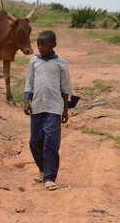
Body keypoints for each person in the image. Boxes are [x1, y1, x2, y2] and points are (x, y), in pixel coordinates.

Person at [23, 30, 73, 191]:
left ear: (53, 45)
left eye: (44, 45)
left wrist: (65, 109)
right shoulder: (34, 62)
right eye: (38, 44)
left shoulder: (60, 63)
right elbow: (29, 83)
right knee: (35, 142)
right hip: (37, 106)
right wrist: (26, 101)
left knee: (51, 141)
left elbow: (65, 87)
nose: (40, 47)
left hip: (54, 107)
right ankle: (42, 169)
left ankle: (50, 178)